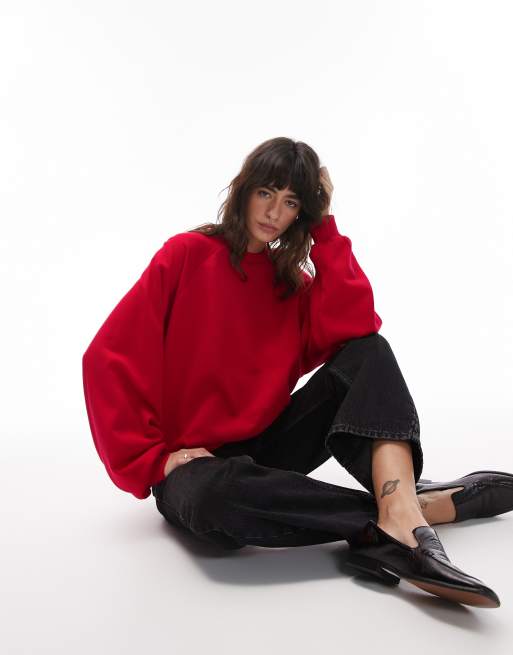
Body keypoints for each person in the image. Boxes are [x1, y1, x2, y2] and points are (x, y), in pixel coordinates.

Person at [82, 136, 513, 609]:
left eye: (290, 202)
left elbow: (359, 329)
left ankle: (399, 515)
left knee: (369, 352)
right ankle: (404, 511)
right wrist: (154, 462)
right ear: (244, 190)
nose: (273, 212)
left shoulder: (290, 285)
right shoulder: (186, 256)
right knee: (214, 498)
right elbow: (106, 358)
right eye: (266, 193)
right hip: (197, 469)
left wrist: (326, 228)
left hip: (270, 451)